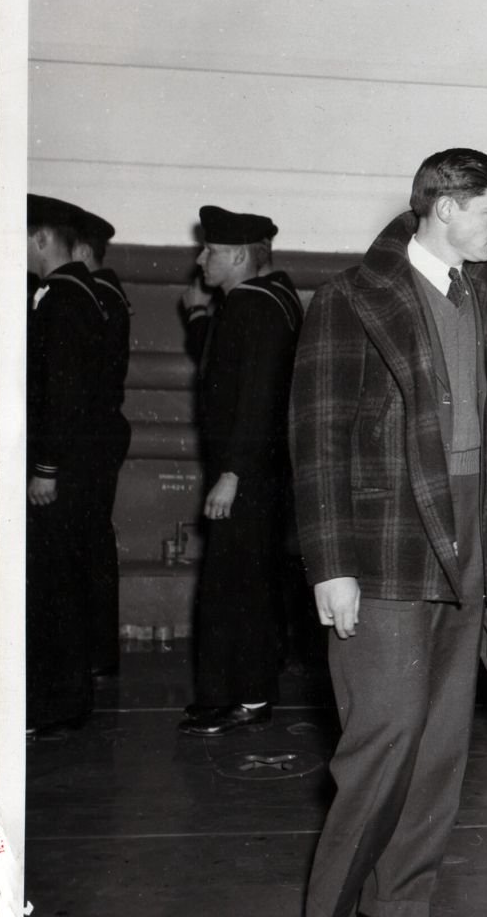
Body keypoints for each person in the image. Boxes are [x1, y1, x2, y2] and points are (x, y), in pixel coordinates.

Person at [291, 148, 487, 917]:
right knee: (384, 748)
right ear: (445, 207)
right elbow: (317, 440)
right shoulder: (349, 299)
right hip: (385, 548)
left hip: (471, 539)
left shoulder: (484, 296)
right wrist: (330, 565)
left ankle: (399, 907)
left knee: (438, 755)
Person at [177, 206, 304, 736]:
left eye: (210, 250)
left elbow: (256, 396)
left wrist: (232, 473)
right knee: (244, 581)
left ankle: (245, 697)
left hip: (245, 475)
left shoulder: (253, 305)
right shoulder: (271, 299)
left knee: (237, 584)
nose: (201, 259)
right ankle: (233, 693)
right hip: (261, 474)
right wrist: (199, 318)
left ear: (237, 257)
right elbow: (228, 370)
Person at [26, 194, 110, 735]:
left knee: (52, 585)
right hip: (81, 465)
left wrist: (46, 468)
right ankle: (67, 700)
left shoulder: (60, 298)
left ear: (40, 239)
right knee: (64, 583)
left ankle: (53, 705)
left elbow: (61, 393)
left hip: (62, 469)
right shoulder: (84, 293)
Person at [71, 207, 131, 680]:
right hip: (100, 432)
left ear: (82, 251)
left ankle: (92, 652)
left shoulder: (93, 296)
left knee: (86, 540)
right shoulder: (106, 293)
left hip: (89, 435)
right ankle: (96, 652)